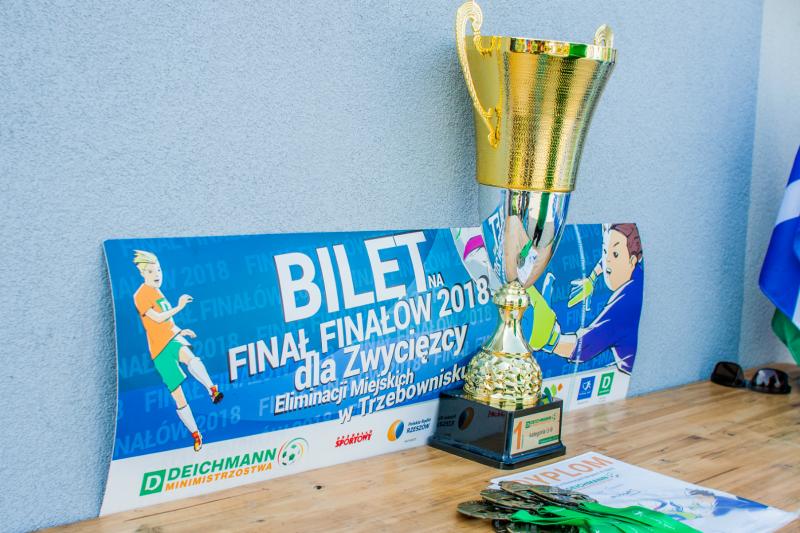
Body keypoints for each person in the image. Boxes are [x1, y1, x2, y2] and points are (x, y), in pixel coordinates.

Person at [132, 250, 223, 452]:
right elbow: (157, 319)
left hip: (172, 338)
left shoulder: (158, 292)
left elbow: (166, 323)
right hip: (159, 350)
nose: (157, 274)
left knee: (191, 358)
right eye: (151, 271)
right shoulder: (141, 295)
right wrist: (180, 306)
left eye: (158, 270)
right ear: (143, 273)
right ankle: (196, 434)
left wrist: (181, 330)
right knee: (178, 395)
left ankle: (212, 389)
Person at [527, 224, 644, 374]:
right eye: (604, 251)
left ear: (632, 260)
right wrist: (592, 277)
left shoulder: (624, 302)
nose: (607, 261)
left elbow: (584, 347)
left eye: (615, 254)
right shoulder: (636, 271)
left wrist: (551, 339)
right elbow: (608, 260)